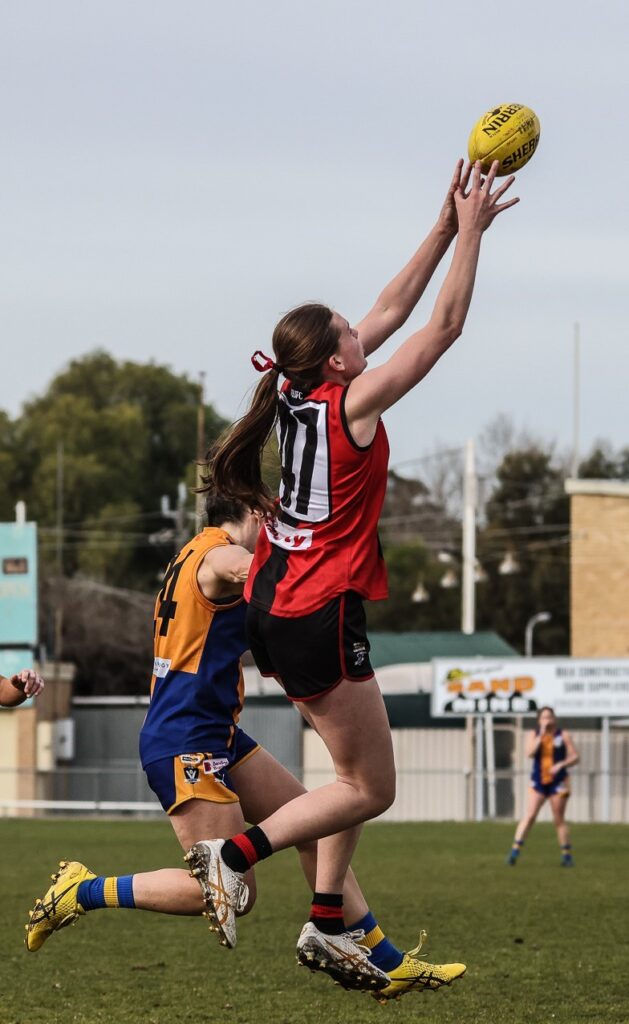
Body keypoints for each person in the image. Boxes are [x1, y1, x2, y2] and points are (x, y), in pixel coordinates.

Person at [193, 159, 519, 962]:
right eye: (349, 332)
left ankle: (333, 920)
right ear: (338, 360)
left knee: (343, 780)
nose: (360, 329)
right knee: (370, 788)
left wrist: (444, 224)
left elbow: (391, 306)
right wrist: (472, 237)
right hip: (315, 607)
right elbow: (437, 328)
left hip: (275, 600)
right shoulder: (353, 402)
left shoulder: (300, 390)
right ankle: (232, 856)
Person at [25, 492, 464, 1001]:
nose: (276, 527)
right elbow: (251, 571)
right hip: (185, 741)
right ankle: (80, 890)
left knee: (319, 824)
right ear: (253, 513)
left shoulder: (194, 550)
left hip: (217, 733)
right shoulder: (218, 554)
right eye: (271, 518)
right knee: (225, 893)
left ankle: (384, 959)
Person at [507, 706, 580, 867]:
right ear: (539, 720)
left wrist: (562, 764)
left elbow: (575, 756)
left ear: (554, 718)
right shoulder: (534, 734)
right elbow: (530, 753)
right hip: (538, 781)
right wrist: (541, 735)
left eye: (549, 717)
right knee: (530, 815)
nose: (547, 720)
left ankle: (566, 855)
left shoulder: (563, 735)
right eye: (544, 717)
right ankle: (514, 851)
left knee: (558, 819)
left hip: (558, 782)